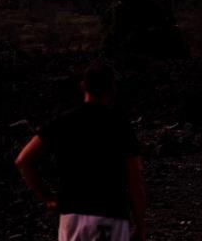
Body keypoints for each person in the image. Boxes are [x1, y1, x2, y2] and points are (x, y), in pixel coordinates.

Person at [15, 62, 146, 241]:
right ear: (112, 89)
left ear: (83, 86)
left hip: (71, 217)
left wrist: (47, 197)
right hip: (109, 217)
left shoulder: (63, 122)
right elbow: (135, 179)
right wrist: (140, 224)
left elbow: (23, 160)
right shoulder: (119, 126)